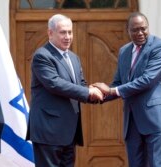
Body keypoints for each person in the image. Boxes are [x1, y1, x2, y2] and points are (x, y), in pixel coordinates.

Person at [93, 12, 161, 167]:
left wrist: (112, 91)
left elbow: (147, 80)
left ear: (148, 28)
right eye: (135, 30)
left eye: (143, 29)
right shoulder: (124, 51)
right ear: (128, 31)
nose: (140, 33)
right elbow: (118, 82)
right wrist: (98, 95)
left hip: (156, 121)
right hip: (132, 122)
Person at [26, 14, 103, 167]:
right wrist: (88, 92)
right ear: (50, 33)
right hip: (48, 132)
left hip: (69, 133)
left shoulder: (73, 58)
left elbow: (80, 85)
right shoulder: (42, 56)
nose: (68, 36)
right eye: (63, 32)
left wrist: (99, 92)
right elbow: (55, 84)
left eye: (70, 32)